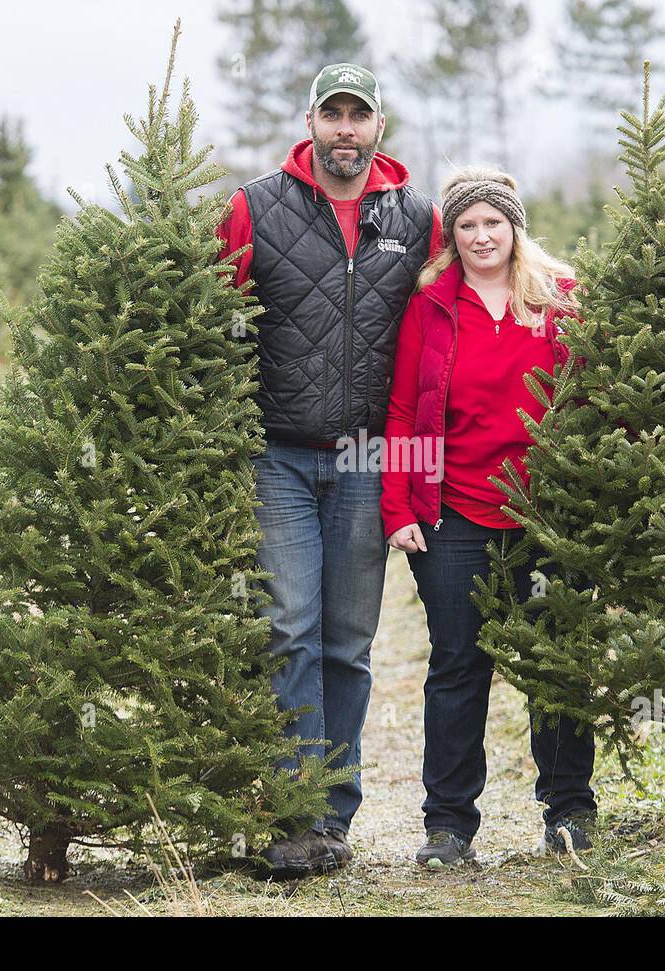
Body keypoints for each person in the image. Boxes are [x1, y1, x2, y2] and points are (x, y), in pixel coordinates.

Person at [216, 62, 443, 878]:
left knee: (347, 642)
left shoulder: (416, 218)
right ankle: (289, 810)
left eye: (360, 115)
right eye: (333, 114)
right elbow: (209, 317)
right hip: (276, 452)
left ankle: (334, 813)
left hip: (366, 459)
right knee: (288, 629)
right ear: (310, 120)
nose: (346, 129)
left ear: (380, 126)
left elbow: (461, 300)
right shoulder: (254, 206)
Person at [381, 167, 598, 869]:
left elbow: (600, 396)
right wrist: (399, 503)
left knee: (555, 665)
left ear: (515, 228)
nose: (481, 236)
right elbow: (404, 410)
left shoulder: (561, 299)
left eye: (492, 223)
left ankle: (568, 811)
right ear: (452, 235)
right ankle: (448, 826)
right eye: (467, 225)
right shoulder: (431, 306)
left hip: (549, 514)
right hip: (456, 518)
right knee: (457, 665)